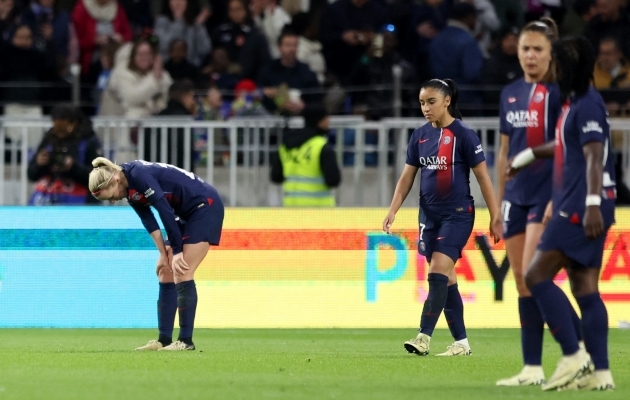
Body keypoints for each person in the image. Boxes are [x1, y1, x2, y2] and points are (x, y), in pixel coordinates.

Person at [507, 36, 616, 391]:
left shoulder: (587, 104)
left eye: (553, 60)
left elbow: (594, 154)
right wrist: (528, 155)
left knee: (535, 275)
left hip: (581, 203)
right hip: (581, 201)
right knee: (585, 287)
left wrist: (592, 206)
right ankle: (601, 372)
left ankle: (573, 354)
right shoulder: (574, 103)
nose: (548, 66)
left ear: (565, 65)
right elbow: (568, 144)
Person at [383, 78, 502, 356]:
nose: (426, 108)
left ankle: (423, 337)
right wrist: (392, 209)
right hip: (429, 215)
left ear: (447, 101)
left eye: (431, 102)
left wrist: (495, 215)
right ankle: (461, 343)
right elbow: (406, 178)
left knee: (437, 270)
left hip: (458, 214)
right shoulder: (420, 136)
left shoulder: (464, 135)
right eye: (422, 102)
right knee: (446, 279)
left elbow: (483, 178)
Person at [495, 18, 583, 387]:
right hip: (515, 197)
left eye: (537, 50)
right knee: (521, 281)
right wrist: (498, 204)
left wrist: (559, 196)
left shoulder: (561, 93)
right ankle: (532, 367)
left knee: (536, 274)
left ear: (551, 53)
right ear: (517, 52)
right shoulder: (510, 93)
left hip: (547, 195)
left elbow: (571, 147)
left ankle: (580, 352)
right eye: (525, 49)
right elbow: (504, 152)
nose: (530, 56)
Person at [89, 157, 224, 351]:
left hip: (204, 206)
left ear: (114, 181)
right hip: (183, 212)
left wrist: (177, 251)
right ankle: (164, 340)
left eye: (109, 195)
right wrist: (163, 253)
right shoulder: (127, 186)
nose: (112, 200)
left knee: (182, 270)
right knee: (165, 270)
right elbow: (149, 220)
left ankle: (186, 342)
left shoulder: (138, 175)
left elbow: (163, 210)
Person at [27, 105, 103, 205]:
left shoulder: (89, 142)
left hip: (80, 204)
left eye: (64, 129)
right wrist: (39, 164)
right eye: (57, 129)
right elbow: (31, 174)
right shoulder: (49, 139)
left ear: (74, 123)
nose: (59, 134)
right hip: (47, 202)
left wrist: (73, 168)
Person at [270, 104, 341, 206]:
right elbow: (333, 180)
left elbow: (276, 177)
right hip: (319, 209)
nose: (329, 121)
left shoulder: (285, 146)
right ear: (320, 120)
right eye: (326, 118)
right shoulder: (321, 146)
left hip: (291, 207)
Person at [154, 0, 211, 67]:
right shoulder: (161, 21)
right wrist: (178, 20)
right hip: (168, 67)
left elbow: (205, 49)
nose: (178, 3)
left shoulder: (194, 23)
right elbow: (163, 46)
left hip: (191, 68)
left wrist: (198, 26)